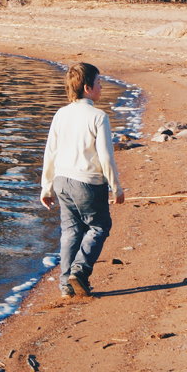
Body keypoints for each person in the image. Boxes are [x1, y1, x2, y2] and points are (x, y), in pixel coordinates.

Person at [40, 62, 125, 297]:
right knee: (99, 226)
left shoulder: (61, 113)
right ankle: (80, 269)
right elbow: (106, 157)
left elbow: (51, 152)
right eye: (99, 83)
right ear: (87, 87)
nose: (101, 87)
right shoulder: (98, 117)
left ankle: (66, 285)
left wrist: (46, 187)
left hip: (61, 180)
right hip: (87, 182)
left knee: (71, 231)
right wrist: (116, 187)